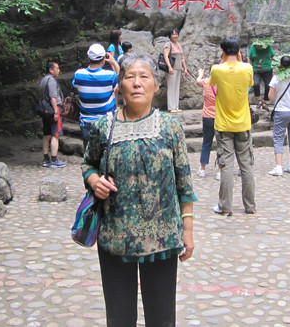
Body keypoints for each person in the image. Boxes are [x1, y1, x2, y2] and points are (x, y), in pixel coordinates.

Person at [81, 53, 196, 326]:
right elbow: (88, 164)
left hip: (163, 238)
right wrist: (94, 181)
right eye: (130, 77)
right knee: (119, 318)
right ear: (119, 86)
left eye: (144, 77)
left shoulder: (170, 127)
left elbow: (184, 180)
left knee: (162, 318)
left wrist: (188, 230)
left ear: (156, 85)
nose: (137, 83)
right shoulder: (103, 127)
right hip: (115, 237)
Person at [210, 37, 256, 216]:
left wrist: (224, 61)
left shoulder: (217, 69)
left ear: (222, 51)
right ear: (238, 51)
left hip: (223, 125)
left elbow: (212, 83)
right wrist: (241, 61)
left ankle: (225, 207)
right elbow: (250, 84)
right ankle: (250, 206)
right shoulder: (247, 68)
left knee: (226, 165)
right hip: (243, 124)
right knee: (246, 165)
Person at [73, 43, 119, 149]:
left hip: (86, 121)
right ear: (104, 58)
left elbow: (74, 84)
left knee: (89, 154)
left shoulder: (79, 74)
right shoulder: (110, 75)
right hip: (106, 121)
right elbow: (121, 79)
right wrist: (113, 61)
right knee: (107, 153)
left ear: (88, 58)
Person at [39, 61, 67, 168]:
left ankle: (46, 159)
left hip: (45, 110)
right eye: (57, 68)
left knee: (46, 134)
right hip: (53, 109)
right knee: (56, 134)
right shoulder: (51, 80)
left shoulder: (44, 80)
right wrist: (56, 111)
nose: (59, 70)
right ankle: (54, 160)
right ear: (51, 70)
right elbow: (53, 97)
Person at [195, 66, 218, 179]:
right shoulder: (223, 83)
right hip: (220, 117)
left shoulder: (206, 82)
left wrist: (200, 74)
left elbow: (198, 81)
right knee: (222, 144)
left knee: (206, 143)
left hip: (207, 116)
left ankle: (203, 169)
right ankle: (220, 170)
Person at [163, 27, 188, 112]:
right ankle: (171, 107)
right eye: (173, 34)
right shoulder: (168, 44)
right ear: (170, 35)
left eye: (176, 34)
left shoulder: (178, 44)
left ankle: (176, 106)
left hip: (179, 68)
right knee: (171, 87)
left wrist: (185, 68)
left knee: (177, 88)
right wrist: (169, 67)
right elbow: (165, 56)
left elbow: (182, 58)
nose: (175, 36)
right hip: (172, 68)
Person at [248, 40, 275, 109]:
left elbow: (273, 56)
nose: (260, 47)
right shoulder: (253, 47)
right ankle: (259, 101)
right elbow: (249, 58)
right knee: (256, 84)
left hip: (267, 69)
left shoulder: (268, 47)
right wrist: (249, 67)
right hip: (256, 70)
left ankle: (265, 102)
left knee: (268, 85)